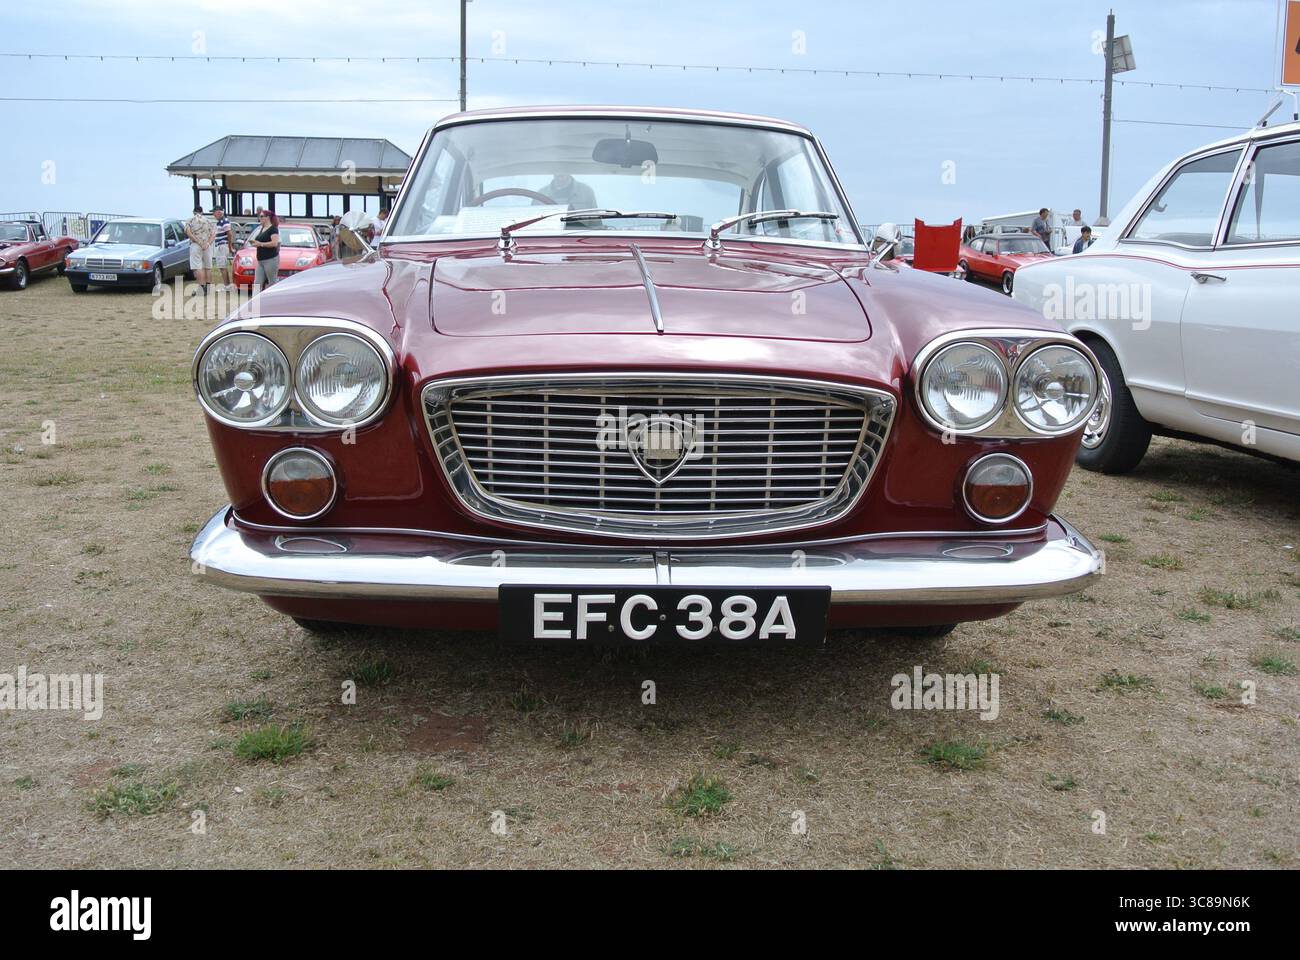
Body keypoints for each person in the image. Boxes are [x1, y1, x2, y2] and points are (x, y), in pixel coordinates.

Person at [185, 205, 215, 293]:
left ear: (194, 212)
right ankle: (208, 288)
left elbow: (188, 233)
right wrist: (208, 243)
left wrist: (198, 242)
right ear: (202, 212)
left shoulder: (190, 220)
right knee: (208, 266)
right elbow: (213, 234)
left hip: (196, 245)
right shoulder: (208, 221)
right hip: (207, 245)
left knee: (197, 267)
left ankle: (201, 288)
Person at [248, 209, 280, 290]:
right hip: (261, 260)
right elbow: (260, 241)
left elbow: (274, 243)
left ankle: (272, 301)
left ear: (268, 217)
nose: (260, 218)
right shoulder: (262, 228)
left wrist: (260, 244)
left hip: (270, 259)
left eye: (262, 216)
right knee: (257, 282)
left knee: (272, 282)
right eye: (259, 216)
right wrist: (255, 243)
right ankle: (255, 301)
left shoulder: (273, 229)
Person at [211, 206, 234, 289]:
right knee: (222, 266)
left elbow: (229, 233)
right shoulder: (220, 222)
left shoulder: (224, 221)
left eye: (214, 212)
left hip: (222, 245)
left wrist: (230, 246)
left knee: (222, 266)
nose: (213, 214)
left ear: (219, 212)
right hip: (221, 245)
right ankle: (227, 285)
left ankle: (227, 285)